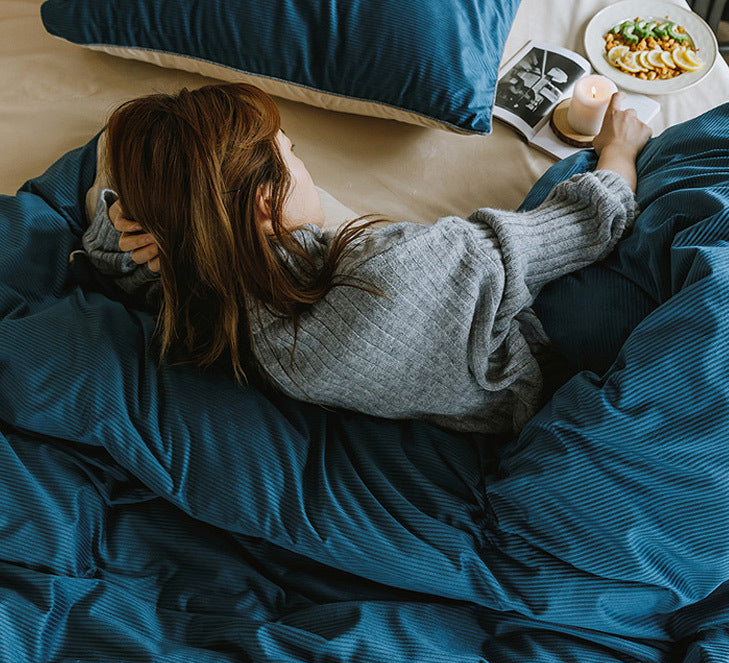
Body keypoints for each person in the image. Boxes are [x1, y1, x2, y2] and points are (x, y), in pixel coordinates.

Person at [79, 82, 651, 435]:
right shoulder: (407, 265)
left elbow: (108, 259)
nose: (304, 165)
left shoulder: (218, 307)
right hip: (546, 374)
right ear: (265, 200)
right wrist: (620, 147)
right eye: (293, 155)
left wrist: (142, 224)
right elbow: (589, 222)